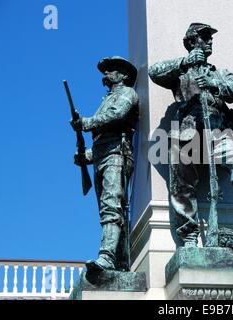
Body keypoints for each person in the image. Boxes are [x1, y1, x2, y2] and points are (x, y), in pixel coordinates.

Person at [148, 23, 233, 247]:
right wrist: (185, 62)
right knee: (182, 184)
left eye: (210, 38)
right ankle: (189, 235)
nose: (210, 41)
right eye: (204, 37)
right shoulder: (181, 72)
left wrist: (212, 83)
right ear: (191, 42)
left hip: (218, 135)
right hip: (187, 134)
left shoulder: (219, 72)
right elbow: (154, 72)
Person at [70, 56, 139, 271]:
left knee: (112, 206)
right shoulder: (107, 99)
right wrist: (86, 156)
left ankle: (108, 256)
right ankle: (119, 261)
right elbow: (102, 141)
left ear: (124, 75)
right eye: (105, 70)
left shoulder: (127, 93)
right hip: (104, 157)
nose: (106, 74)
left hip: (117, 155)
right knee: (107, 210)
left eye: (111, 70)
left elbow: (117, 115)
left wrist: (86, 123)